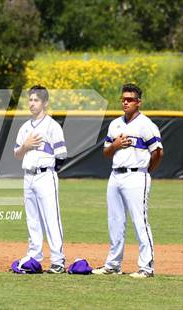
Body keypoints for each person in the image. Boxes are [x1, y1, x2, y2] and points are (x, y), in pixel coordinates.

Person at [92, 83, 163, 278]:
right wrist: (114, 145)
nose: (125, 102)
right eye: (123, 99)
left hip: (137, 175)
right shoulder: (115, 124)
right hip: (115, 175)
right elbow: (106, 152)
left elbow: (158, 152)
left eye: (130, 99)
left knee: (140, 221)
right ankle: (113, 265)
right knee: (115, 221)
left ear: (138, 102)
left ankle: (146, 268)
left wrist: (146, 171)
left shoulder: (146, 125)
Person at [13, 85, 67, 274]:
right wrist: (26, 146)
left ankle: (58, 261)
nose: (32, 103)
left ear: (45, 103)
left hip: (45, 175)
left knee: (52, 218)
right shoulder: (25, 127)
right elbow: (17, 155)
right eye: (30, 100)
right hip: (28, 176)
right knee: (32, 220)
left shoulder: (52, 126)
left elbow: (61, 155)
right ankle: (34, 257)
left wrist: (50, 174)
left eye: (36, 100)